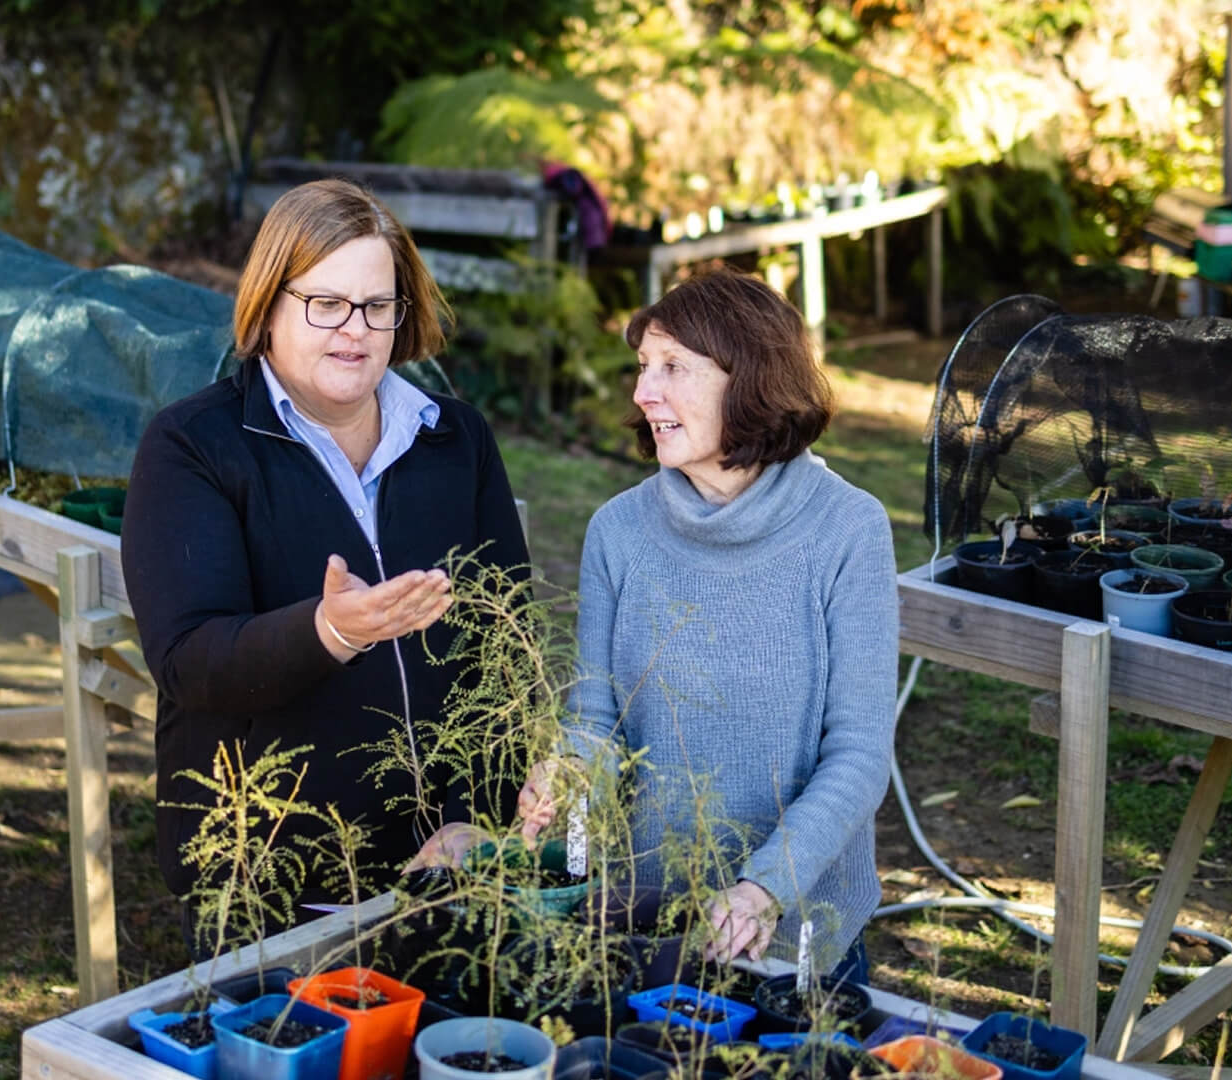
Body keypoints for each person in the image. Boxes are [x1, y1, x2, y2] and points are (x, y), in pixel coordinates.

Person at [122, 179, 530, 927]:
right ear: (269, 303)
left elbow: (507, 647)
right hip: (266, 870)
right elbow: (188, 659)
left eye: (378, 306)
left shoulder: (453, 439)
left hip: (439, 866)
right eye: (326, 304)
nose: (356, 330)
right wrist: (331, 631)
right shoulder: (194, 447)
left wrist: (472, 816)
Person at [522, 269, 897, 979]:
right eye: (641, 368)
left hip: (795, 928)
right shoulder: (618, 533)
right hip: (646, 916)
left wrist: (765, 888)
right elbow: (598, 718)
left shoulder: (849, 531)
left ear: (748, 378)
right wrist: (570, 772)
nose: (642, 392)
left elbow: (858, 755)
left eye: (672, 368)